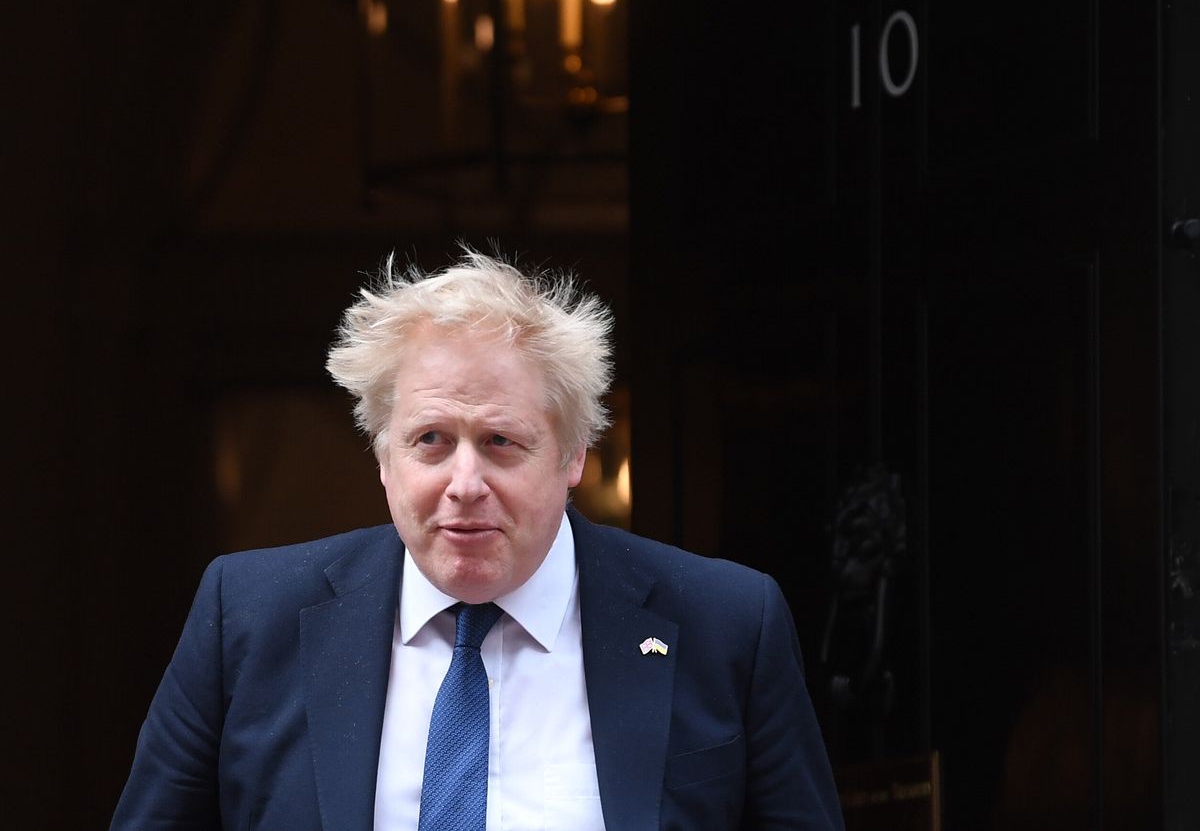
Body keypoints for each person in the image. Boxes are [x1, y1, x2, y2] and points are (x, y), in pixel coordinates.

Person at [111, 248, 846, 830]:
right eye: (431, 440)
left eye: (500, 441)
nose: (465, 481)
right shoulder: (245, 616)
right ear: (383, 455)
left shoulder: (725, 624)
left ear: (572, 455)